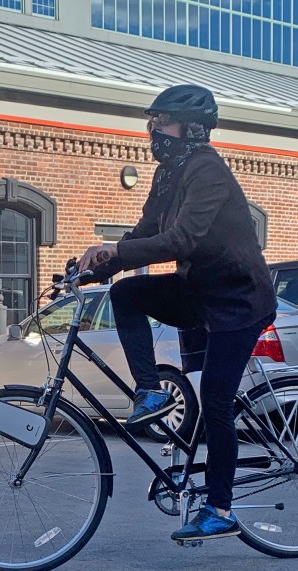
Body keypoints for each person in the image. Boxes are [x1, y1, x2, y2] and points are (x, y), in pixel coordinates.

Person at [78, 84, 277, 542]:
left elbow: (181, 240)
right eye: (151, 122)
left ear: (191, 128)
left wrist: (115, 249)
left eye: (161, 121)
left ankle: (221, 508)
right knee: (127, 296)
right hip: (201, 292)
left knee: (216, 403)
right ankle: (150, 392)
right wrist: (96, 267)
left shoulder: (207, 170)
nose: (153, 130)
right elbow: (147, 231)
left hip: (238, 301)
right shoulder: (168, 174)